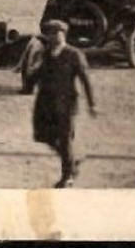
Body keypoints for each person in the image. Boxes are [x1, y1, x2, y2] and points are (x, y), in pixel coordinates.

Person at [25, 18, 97, 188]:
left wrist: (92, 104)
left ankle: (67, 176)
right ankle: (73, 161)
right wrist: (30, 78)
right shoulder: (46, 54)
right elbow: (36, 75)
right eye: (50, 34)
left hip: (66, 104)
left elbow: (85, 80)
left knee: (64, 139)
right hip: (46, 103)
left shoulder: (74, 55)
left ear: (64, 35)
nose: (54, 37)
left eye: (57, 33)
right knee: (44, 136)